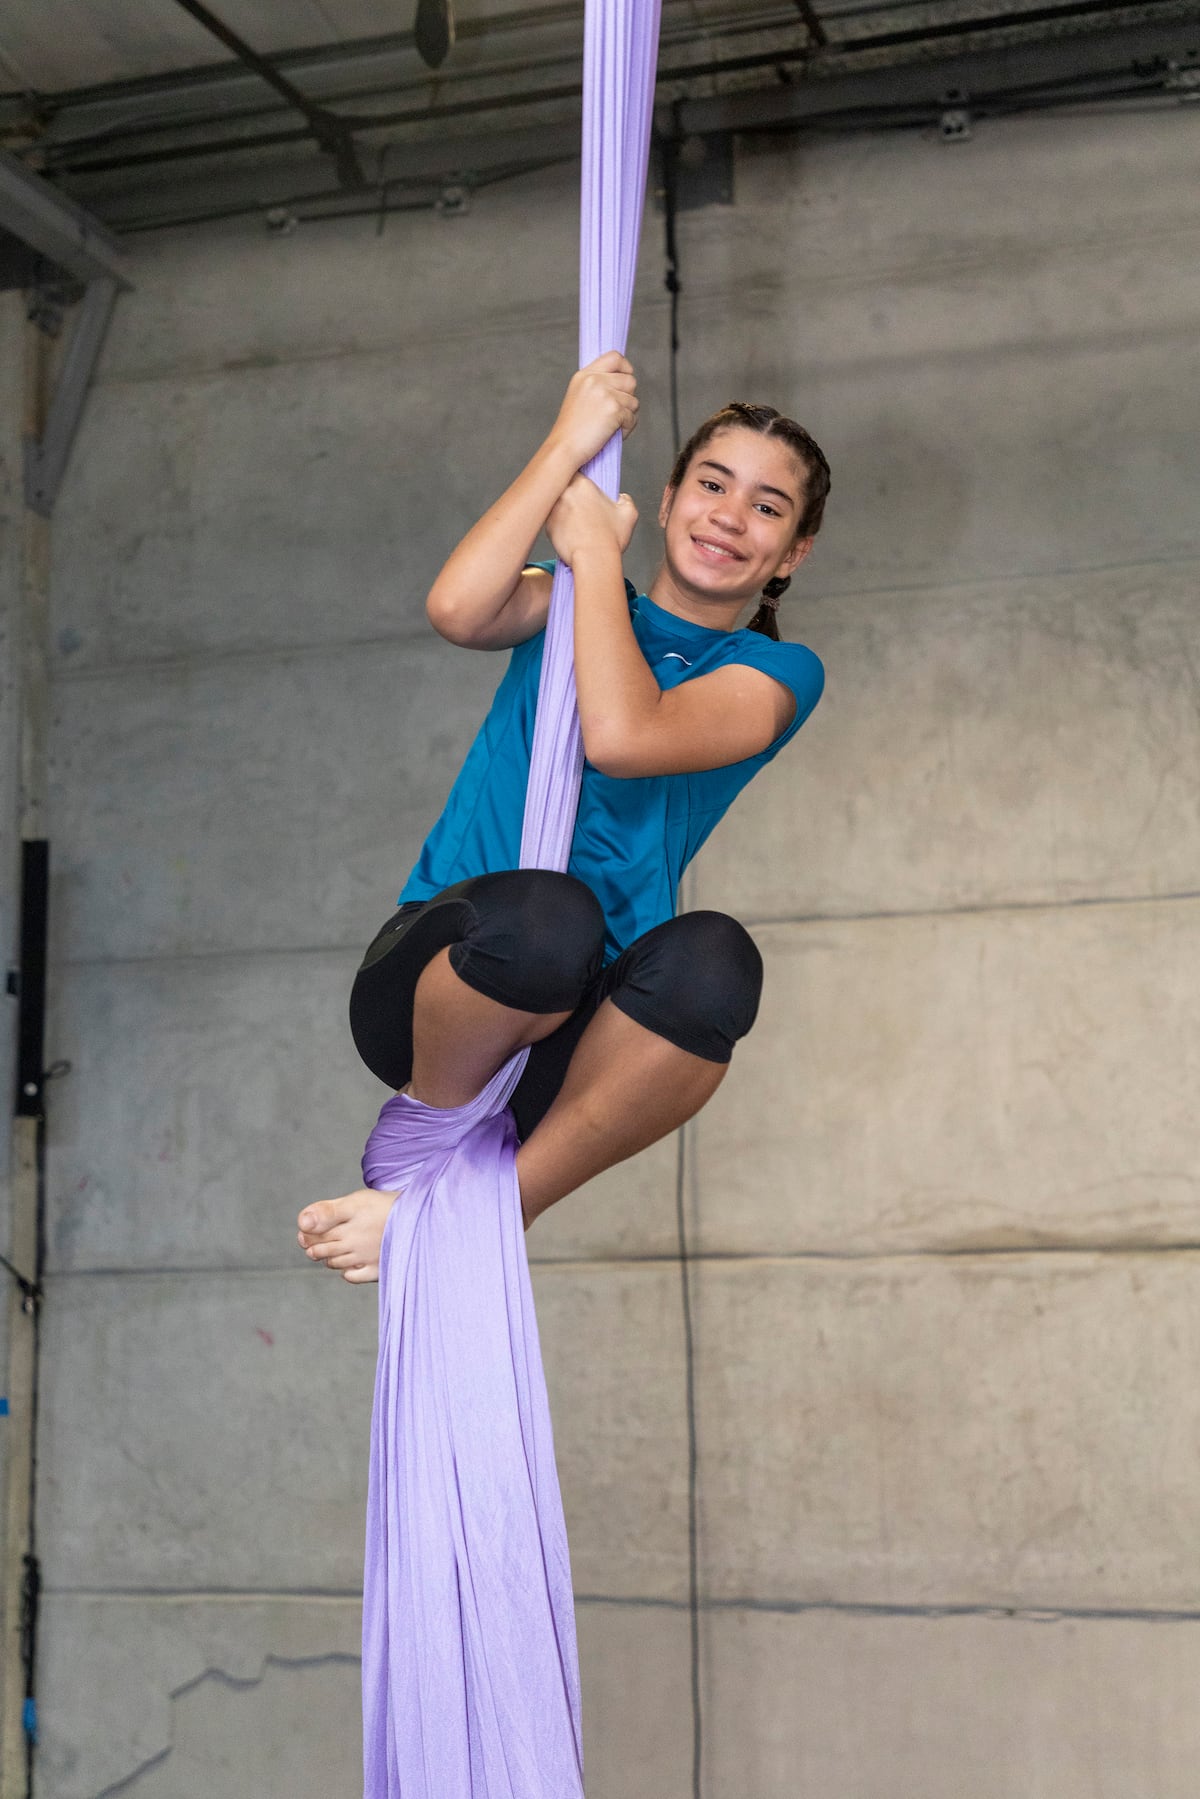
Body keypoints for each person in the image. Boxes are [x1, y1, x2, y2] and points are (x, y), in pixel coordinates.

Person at [297, 351, 829, 1279]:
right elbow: (457, 609)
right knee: (549, 916)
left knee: (717, 959)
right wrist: (565, 446)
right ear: (667, 499)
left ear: (791, 555)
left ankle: (486, 1212)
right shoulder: (574, 595)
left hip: (580, 1035)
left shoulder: (776, 673)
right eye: (712, 484)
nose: (729, 515)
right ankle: (431, 1148)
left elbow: (623, 734)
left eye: (767, 507)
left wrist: (594, 553)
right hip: (440, 984)